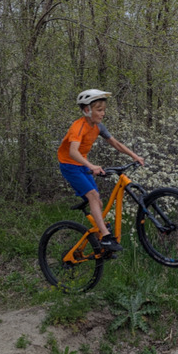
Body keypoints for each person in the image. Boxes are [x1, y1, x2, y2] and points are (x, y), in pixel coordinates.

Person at [57, 89, 144, 251]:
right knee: (93, 195)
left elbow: (115, 143)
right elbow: (72, 152)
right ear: (86, 110)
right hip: (69, 165)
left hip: (81, 164)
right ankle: (105, 237)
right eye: (99, 110)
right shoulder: (78, 127)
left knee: (99, 201)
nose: (103, 113)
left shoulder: (98, 127)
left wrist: (134, 156)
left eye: (104, 110)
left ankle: (98, 241)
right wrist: (92, 166)